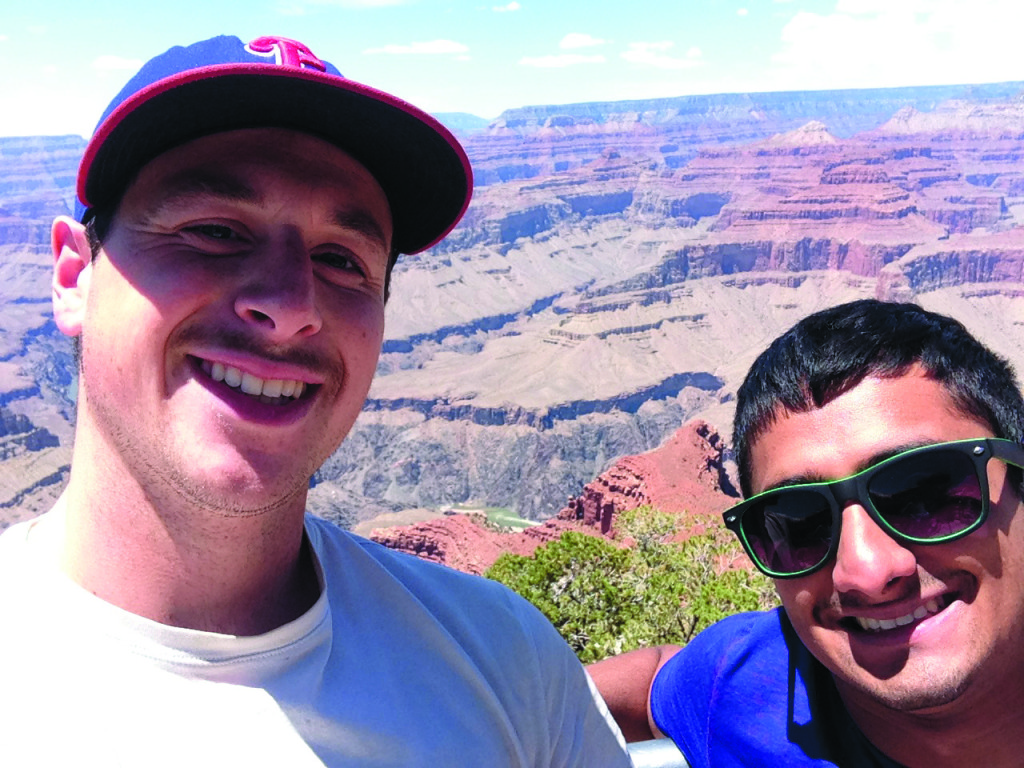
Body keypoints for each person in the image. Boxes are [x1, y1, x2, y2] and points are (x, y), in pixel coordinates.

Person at [0, 35, 630, 767]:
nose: (289, 305)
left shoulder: (509, 666)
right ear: (73, 277)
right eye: (214, 231)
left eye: (340, 258)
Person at [589, 299, 1024, 767]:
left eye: (923, 495)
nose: (866, 572)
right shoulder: (751, 687)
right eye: (801, 524)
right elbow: (652, 681)